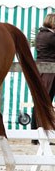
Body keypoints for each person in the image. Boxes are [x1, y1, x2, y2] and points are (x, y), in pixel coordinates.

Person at [31, 14, 55, 144]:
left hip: (41, 70)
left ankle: (37, 135)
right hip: (49, 71)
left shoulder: (41, 34)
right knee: (44, 103)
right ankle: (39, 135)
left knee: (40, 102)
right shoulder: (51, 36)